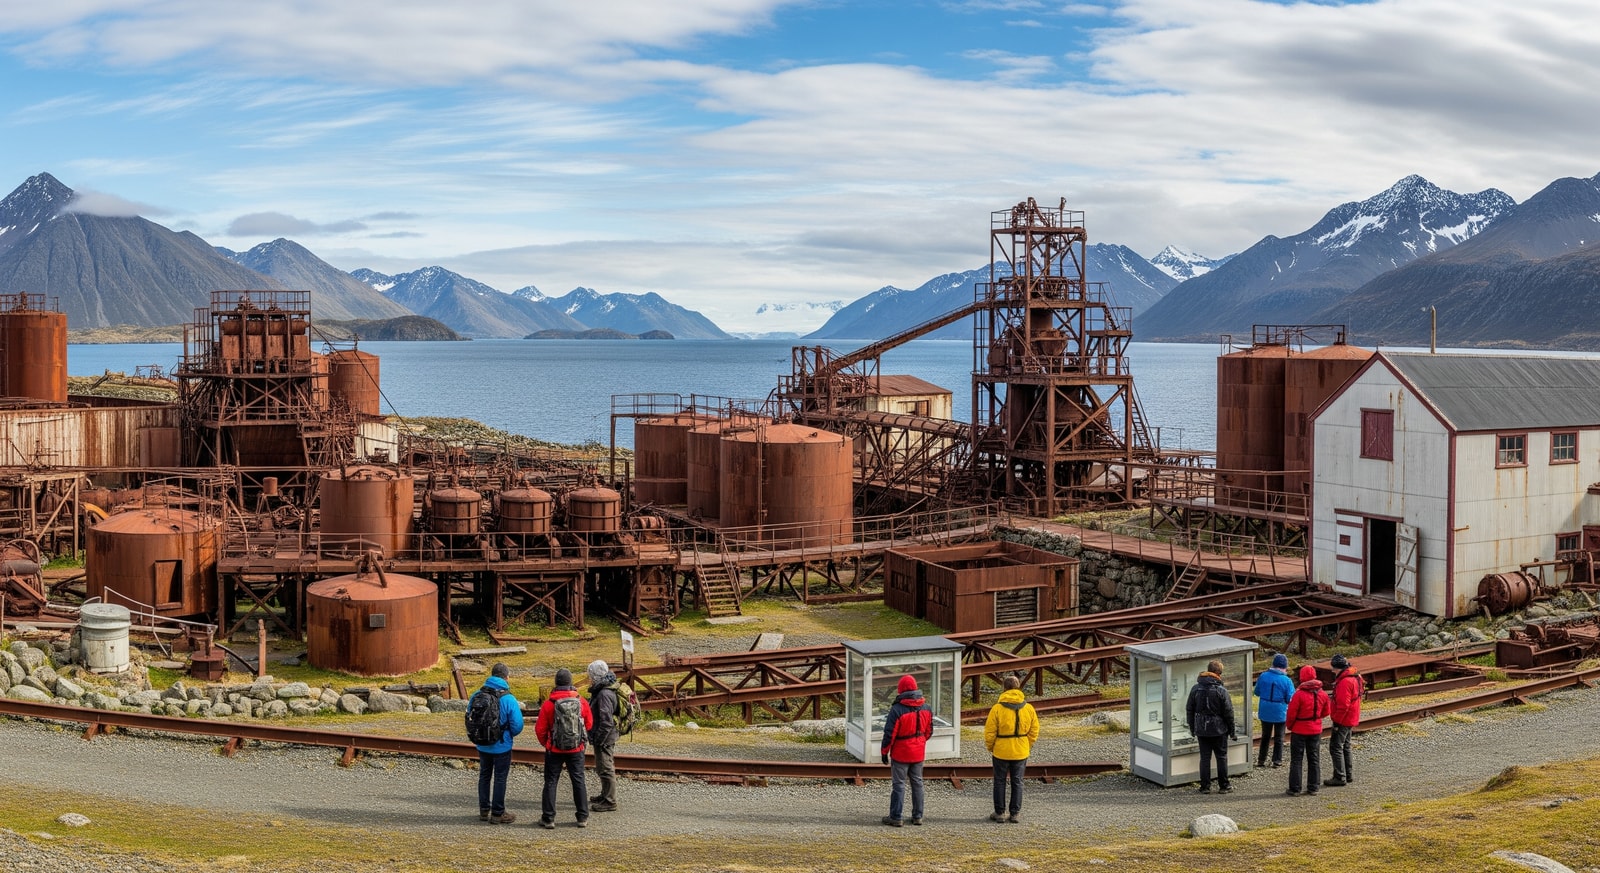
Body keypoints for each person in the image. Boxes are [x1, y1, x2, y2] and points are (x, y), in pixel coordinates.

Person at [535, 667, 594, 829]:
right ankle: (582, 817)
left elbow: (540, 729)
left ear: (556, 683)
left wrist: (547, 744)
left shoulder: (549, 704)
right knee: (578, 780)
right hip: (576, 748)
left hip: (554, 749)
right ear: (570, 683)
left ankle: (548, 818)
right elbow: (589, 724)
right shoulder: (581, 702)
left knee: (551, 782)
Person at [471, 663, 524, 824]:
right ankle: (498, 813)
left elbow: (470, 717)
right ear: (506, 677)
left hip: (482, 744)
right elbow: (517, 725)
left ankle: (483, 809)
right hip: (502, 745)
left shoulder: (476, 695)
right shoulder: (508, 698)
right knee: (500, 778)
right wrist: (506, 735)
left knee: (484, 775)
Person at [880, 673, 933, 827]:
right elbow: (929, 731)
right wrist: (920, 741)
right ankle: (918, 816)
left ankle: (896, 816)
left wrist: (884, 752)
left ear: (901, 690)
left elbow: (889, 734)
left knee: (899, 785)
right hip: (918, 752)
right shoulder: (926, 708)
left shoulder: (897, 709)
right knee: (918, 783)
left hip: (901, 753)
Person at [983, 674, 1039, 823]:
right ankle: (1015, 813)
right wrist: (1027, 744)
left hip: (1001, 749)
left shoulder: (997, 708)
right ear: (1018, 687)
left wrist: (991, 747)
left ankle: (999, 812)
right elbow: (1034, 730)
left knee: (999, 781)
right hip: (1021, 750)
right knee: (1018, 781)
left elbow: (990, 732)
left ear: (1004, 688)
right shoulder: (1028, 708)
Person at [1184, 658, 1237, 794]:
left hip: (1202, 728)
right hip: (1219, 729)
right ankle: (1224, 785)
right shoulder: (1221, 690)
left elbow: (1189, 709)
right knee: (1221, 757)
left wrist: (1192, 728)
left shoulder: (1196, 688)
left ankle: (1205, 786)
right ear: (1218, 673)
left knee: (1205, 758)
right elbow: (1228, 712)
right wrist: (1232, 730)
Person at [1285, 664, 1330, 796]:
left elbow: (1291, 713)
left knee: (1296, 760)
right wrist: (1316, 719)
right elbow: (1326, 711)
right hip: (1315, 730)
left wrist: (1290, 726)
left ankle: (1295, 788)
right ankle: (1313, 787)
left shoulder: (1299, 694)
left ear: (1302, 677)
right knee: (1314, 758)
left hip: (1299, 729)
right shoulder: (1322, 694)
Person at [586, 659, 621, 812]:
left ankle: (610, 800)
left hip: (604, 737)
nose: (589, 678)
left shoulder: (604, 694)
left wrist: (598, 739)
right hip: (606, 735)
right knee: (602, 766)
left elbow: (605, 721)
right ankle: (605, 794)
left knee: (606, 767)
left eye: (590, 675)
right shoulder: (605, 690)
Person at [1326, 653, 1364, 786]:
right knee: (1346, 746)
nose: (1332, 671)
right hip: (1352, 716)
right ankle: (1348, 774)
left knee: (1335, 747)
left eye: (1334, 668)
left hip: (1343, 719)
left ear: (1339, 668)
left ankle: (1339, 776)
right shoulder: (1355, 677)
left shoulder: (1344, 682)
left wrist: (1337, 721)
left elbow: (1343, 705)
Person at [1254, 653, 1295, 769]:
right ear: (1285, 666)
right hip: (1280, 712)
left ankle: (1261, 760)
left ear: (1273, 664)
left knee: (1265, 736)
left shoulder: (1263, 676)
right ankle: (1277, 760)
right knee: (1279, 737)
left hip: (1265, 710)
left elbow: (1257, 692)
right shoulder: (1287, 680)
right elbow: (1289, 698)